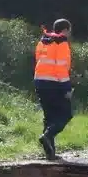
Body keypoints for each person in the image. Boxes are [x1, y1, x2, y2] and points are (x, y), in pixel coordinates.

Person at [34, 18, 75, 160]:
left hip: (39, 81)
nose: (69, 33)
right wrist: (66, 89)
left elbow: (38, 59)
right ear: (65, 30)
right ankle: (47, 136)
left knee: (49, 117)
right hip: (55, 83)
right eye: (69, 30)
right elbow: (61, 68)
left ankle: (50, 154)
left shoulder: (43, 40)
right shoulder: (62, 42)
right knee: (66, 114)